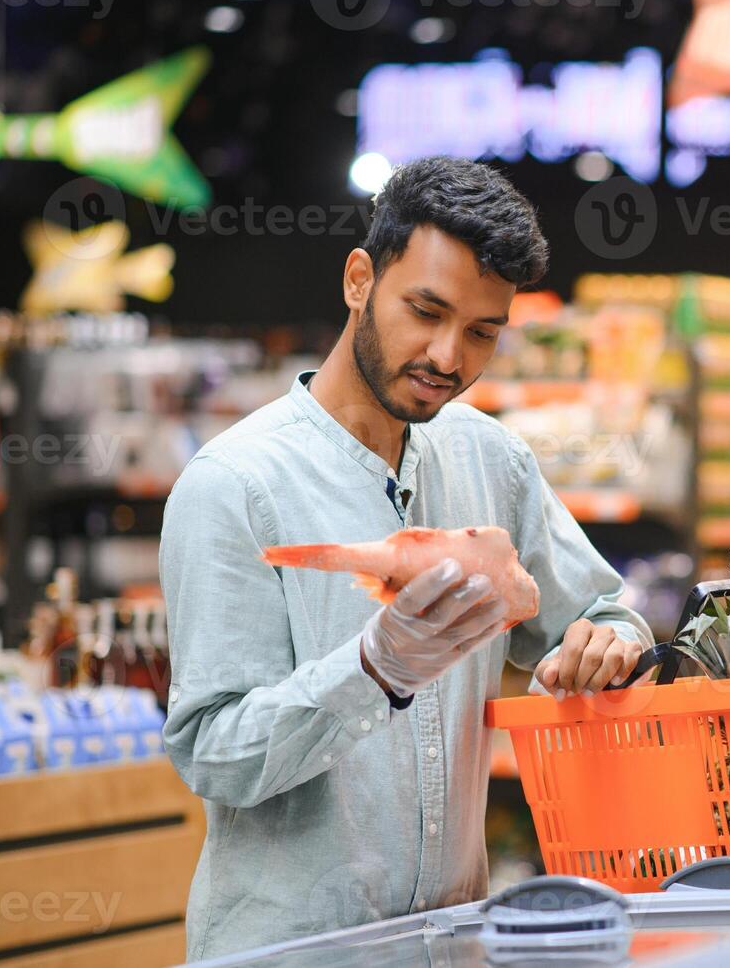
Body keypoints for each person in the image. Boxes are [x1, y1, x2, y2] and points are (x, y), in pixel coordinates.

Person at [159, 156, 652, 960]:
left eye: (482, 331)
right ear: (359, 279)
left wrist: (610, 639)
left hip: (454, 946)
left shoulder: (493, 463)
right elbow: (214, 753)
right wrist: (373, 670)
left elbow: (599, 612)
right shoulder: (234, 487)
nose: (448, 357)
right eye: (425, 311)